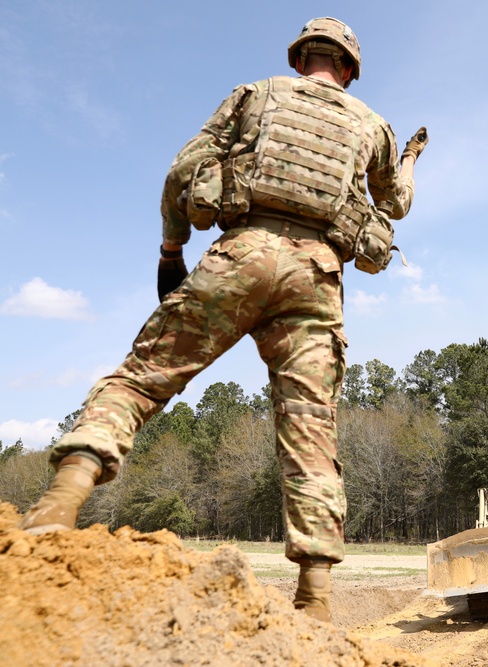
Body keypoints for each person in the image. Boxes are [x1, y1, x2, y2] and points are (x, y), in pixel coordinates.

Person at [18, 16, 428, 623]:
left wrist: (171, 249)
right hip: (316, 280)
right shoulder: (373, 125)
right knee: (312, 431)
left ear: (301, 60)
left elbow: (184, 171)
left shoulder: (256, 94)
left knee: (144, 377)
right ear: (347, 69)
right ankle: (314, 603)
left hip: (240, 255)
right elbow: (395, 203)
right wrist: (413, 159)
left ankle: (59, 503)